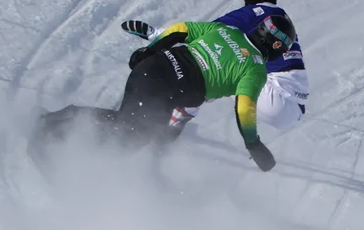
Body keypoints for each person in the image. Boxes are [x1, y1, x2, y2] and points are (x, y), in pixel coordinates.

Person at [40, 10, 292, 170]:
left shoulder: (227, 30)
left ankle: (60, 129)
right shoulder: (255, 67)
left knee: (131, 130)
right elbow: (244, 108)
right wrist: (253, 143)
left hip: (154, 69)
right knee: (127, 139)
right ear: (276, 45)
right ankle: (52, 129)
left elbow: (181, 29)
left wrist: (148, 52)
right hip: (163, 89)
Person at [208, 0, 310, 134]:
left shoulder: (259, 12)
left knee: (219, 63)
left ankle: (180, 110)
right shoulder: (279, 15)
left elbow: (207, 31)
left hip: (276, 96)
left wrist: (161, 37)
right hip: (293, 106)